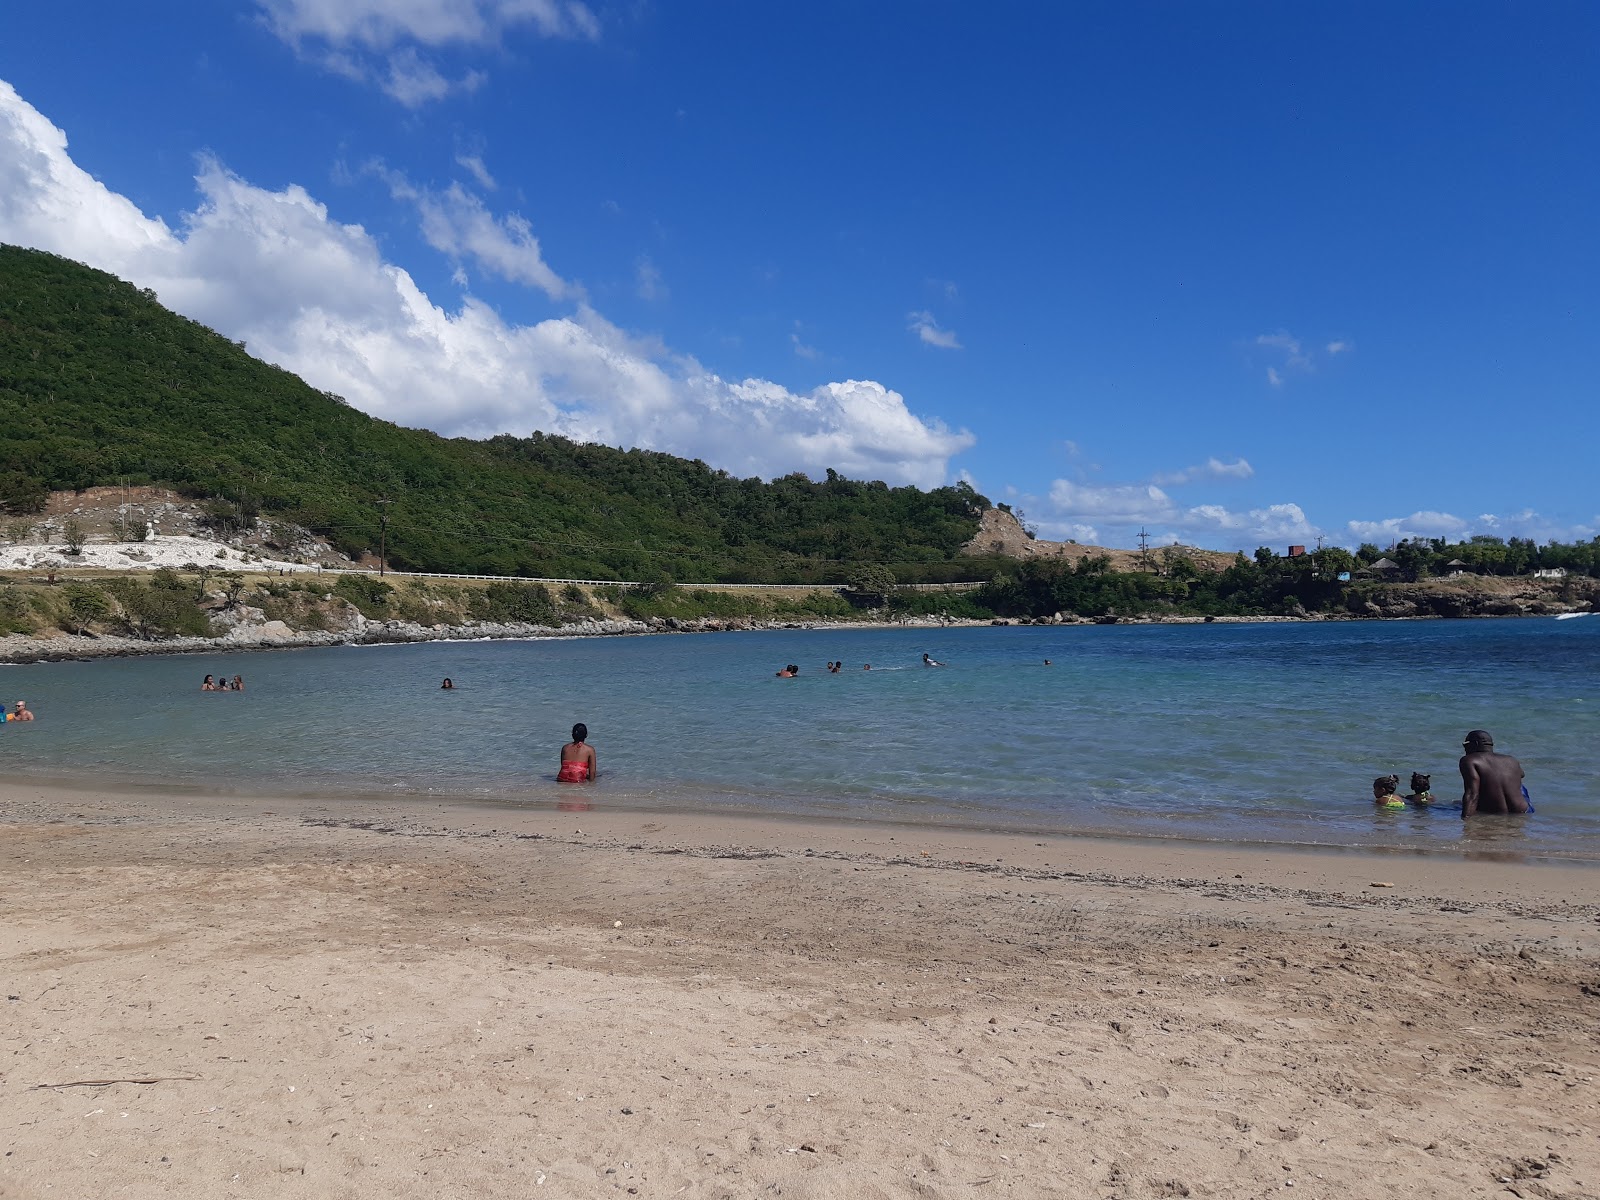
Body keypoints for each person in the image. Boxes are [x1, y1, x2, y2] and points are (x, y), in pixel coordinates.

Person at [1459, 730, 1531, 816]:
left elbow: (1472, 794)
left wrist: (1466, 820)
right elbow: (1522, 774)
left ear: (1476, 744)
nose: (1465, 749)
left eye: (1466, 745)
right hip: (1523, 810)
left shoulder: (1469, 760)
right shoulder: (1511, 760)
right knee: (1517, 784)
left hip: (1495, 812)